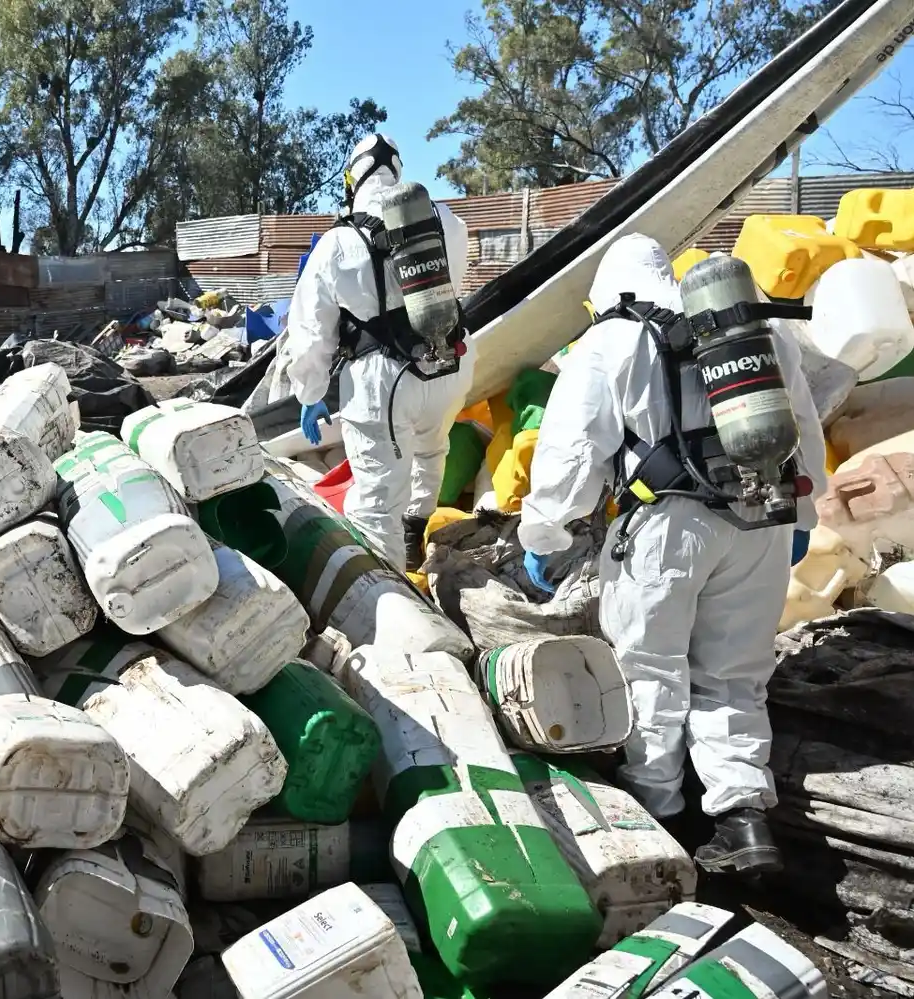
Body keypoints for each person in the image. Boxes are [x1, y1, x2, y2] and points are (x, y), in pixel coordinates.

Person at [518, 233, 826, 875]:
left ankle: (657, 814)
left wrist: (545, 537)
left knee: (649, 668)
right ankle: (745, 823)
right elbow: (803, 427)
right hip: (759, 517)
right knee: (735, 674)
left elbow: (569, 459)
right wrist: (806, 514)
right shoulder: (755, 326)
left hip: (665, 530)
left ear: (607, 292)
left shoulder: (610, 340)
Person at [280, 133, 474, 573]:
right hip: (449, 363)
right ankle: (415, 533)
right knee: (431, 450)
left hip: (383, 384)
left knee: (377, 499)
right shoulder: (446, 220)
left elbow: (311, 328)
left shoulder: (338, 242)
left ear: (353, 177)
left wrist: (310, 393)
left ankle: (389, 595)